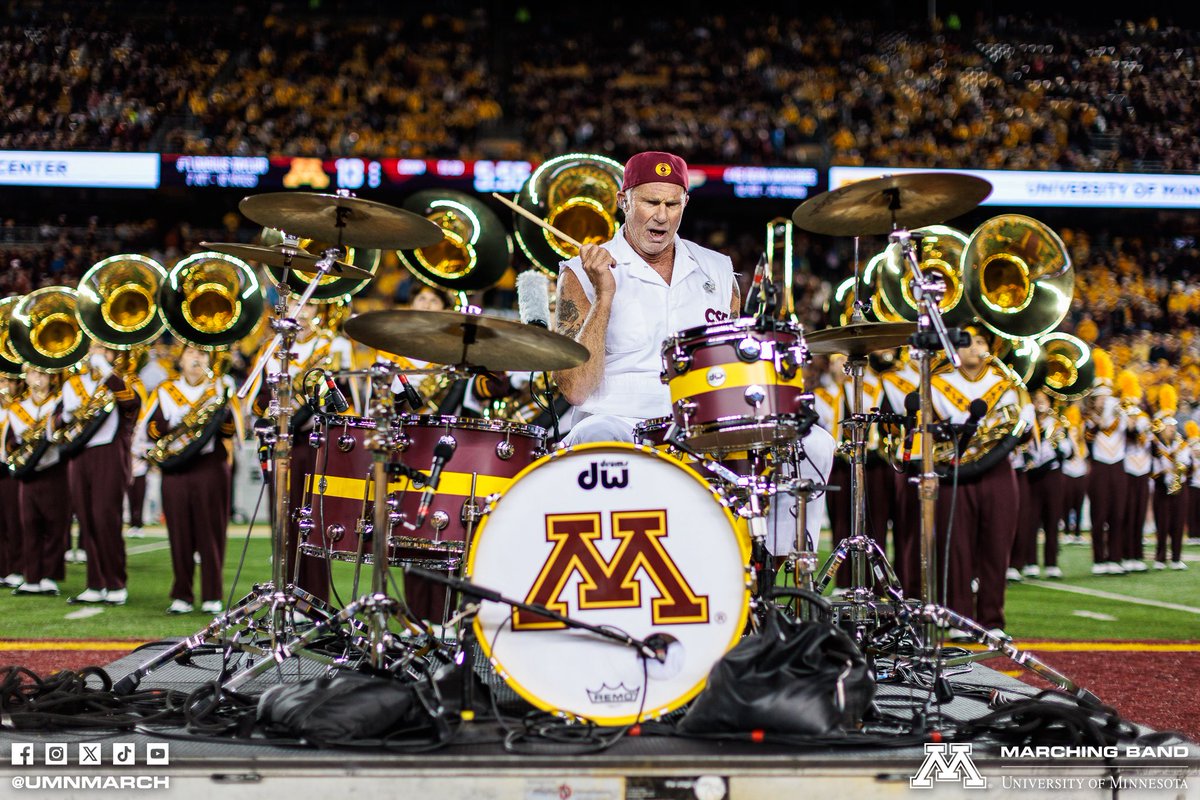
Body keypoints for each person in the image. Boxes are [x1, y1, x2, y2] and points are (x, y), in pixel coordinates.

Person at [550, 150, 834, 551]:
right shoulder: (578, 272)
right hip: (618, 417)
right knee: (597, 434)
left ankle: (769, 567)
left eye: (672, 203)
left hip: (700, 426)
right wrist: (604, 295)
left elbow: (738, 365)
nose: (662, 216)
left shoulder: (718, 269)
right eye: (650, 202)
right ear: (623, 200)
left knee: (815, 444)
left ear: (686, 203)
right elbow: (576, 390)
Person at [927, 324, 1033, 639]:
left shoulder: (1007, 383)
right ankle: (959, 618)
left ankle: (992, 620)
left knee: (997, 544)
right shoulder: (934, 383)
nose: (975, 347)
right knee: (956, 546)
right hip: (954, 470)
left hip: (999, 470)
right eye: (967, 341)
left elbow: (1023, 427)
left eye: (981, 341)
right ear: (953, 348)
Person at [144, 345, 237, 614]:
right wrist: (174, 423)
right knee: (179, 532)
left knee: (211, 532)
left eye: (202, 354)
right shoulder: (165, 389)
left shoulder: (219, 387)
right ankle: (182, 594)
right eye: (190, 353)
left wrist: (224, 406)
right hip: (175, 467)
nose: (196, 358)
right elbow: (151, 429)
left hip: (210, 466)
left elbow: (230, 431)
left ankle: (212, 594)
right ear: (180, 359)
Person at [59, 345, 140, 605]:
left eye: (102, 349)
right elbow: (57, 422)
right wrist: (68, 415)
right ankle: (95, 583)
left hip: (110, 454)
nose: (95, 353)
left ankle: (116, 583)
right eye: (92, 348)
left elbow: (131, 404)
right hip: (80, 456)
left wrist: (107, 372)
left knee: (106, 517)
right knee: (85, 518)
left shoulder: (122, 380)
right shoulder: (73, 383)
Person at [4, 369, 70, 596]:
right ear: (26, 378)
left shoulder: (60, 400)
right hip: (28, 472)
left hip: (55, 469)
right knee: (29, 523)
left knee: (55, 524)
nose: (38, 379)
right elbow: (10, 442)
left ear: (52, 377)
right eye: (33, 374)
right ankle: (31, 576)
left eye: (42, 374)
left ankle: (50, 576)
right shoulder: (16, 407)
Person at [1083, 349, 1128, 576]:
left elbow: (1133, 432)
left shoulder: (1122, 414)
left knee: (1118, 513)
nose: (1104, 400)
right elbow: (1089, 438)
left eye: (1106, 396)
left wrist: (1125, 411)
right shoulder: (1090, 418)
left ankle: (1116, 557)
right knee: (1099, 514)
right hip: (1099, 465)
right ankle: (1099, 559)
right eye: (1100, 396)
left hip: (1118, 464)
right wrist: (1098, 414)